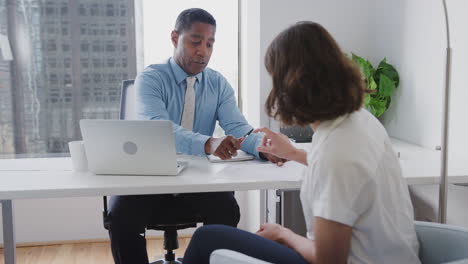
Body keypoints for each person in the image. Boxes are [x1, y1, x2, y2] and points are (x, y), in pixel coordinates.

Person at [183, 21, 421, 264]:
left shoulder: (336, 153)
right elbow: (350, 174)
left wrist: (284, 234)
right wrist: (294, 153)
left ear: (290, 85)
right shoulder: (360, 120)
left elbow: (328, 260)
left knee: (206, 238)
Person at [105, 8, 283, 264]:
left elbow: (238, 127)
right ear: (175, 38)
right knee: (120, 216)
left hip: (197, 177)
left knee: (227, 210)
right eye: (195, 42)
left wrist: (264, 148)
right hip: (151, 175)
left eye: (210, 44)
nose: (203, 51)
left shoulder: (218, 84)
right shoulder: (151, 78)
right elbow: (158, 128)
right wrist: (208, 143)